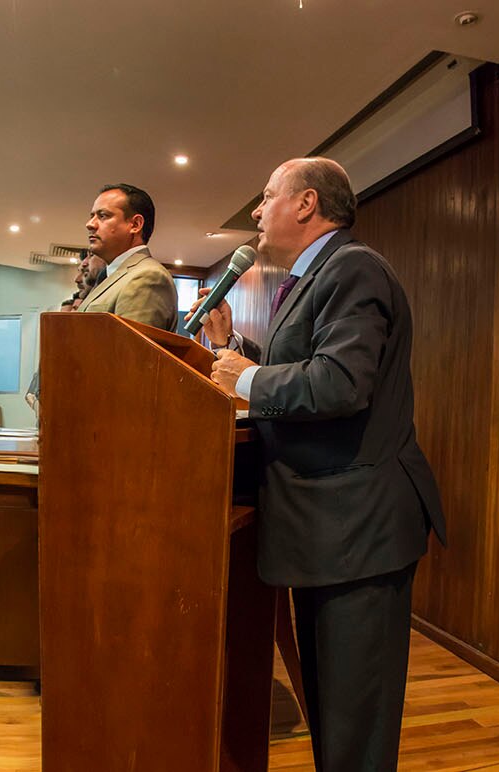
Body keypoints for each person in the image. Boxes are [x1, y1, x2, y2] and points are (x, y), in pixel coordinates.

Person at [194, 157, 446, 769]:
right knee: (333, 710)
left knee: (354, 721)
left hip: (357, 526)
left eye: (266, 196)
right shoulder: (313, 277)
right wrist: (234, 350)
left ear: (307, 203)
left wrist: (247, 376)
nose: (255, 212)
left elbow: (339, 383)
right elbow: (307, 364)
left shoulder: (352, 268)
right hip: (326, 528)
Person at [76, 184, 178, 330]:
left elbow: (130, 352)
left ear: (135, 224)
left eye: (103, 216)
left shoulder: (147, 276)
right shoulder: (111, 275)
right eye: (92, 216)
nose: (90, 224)